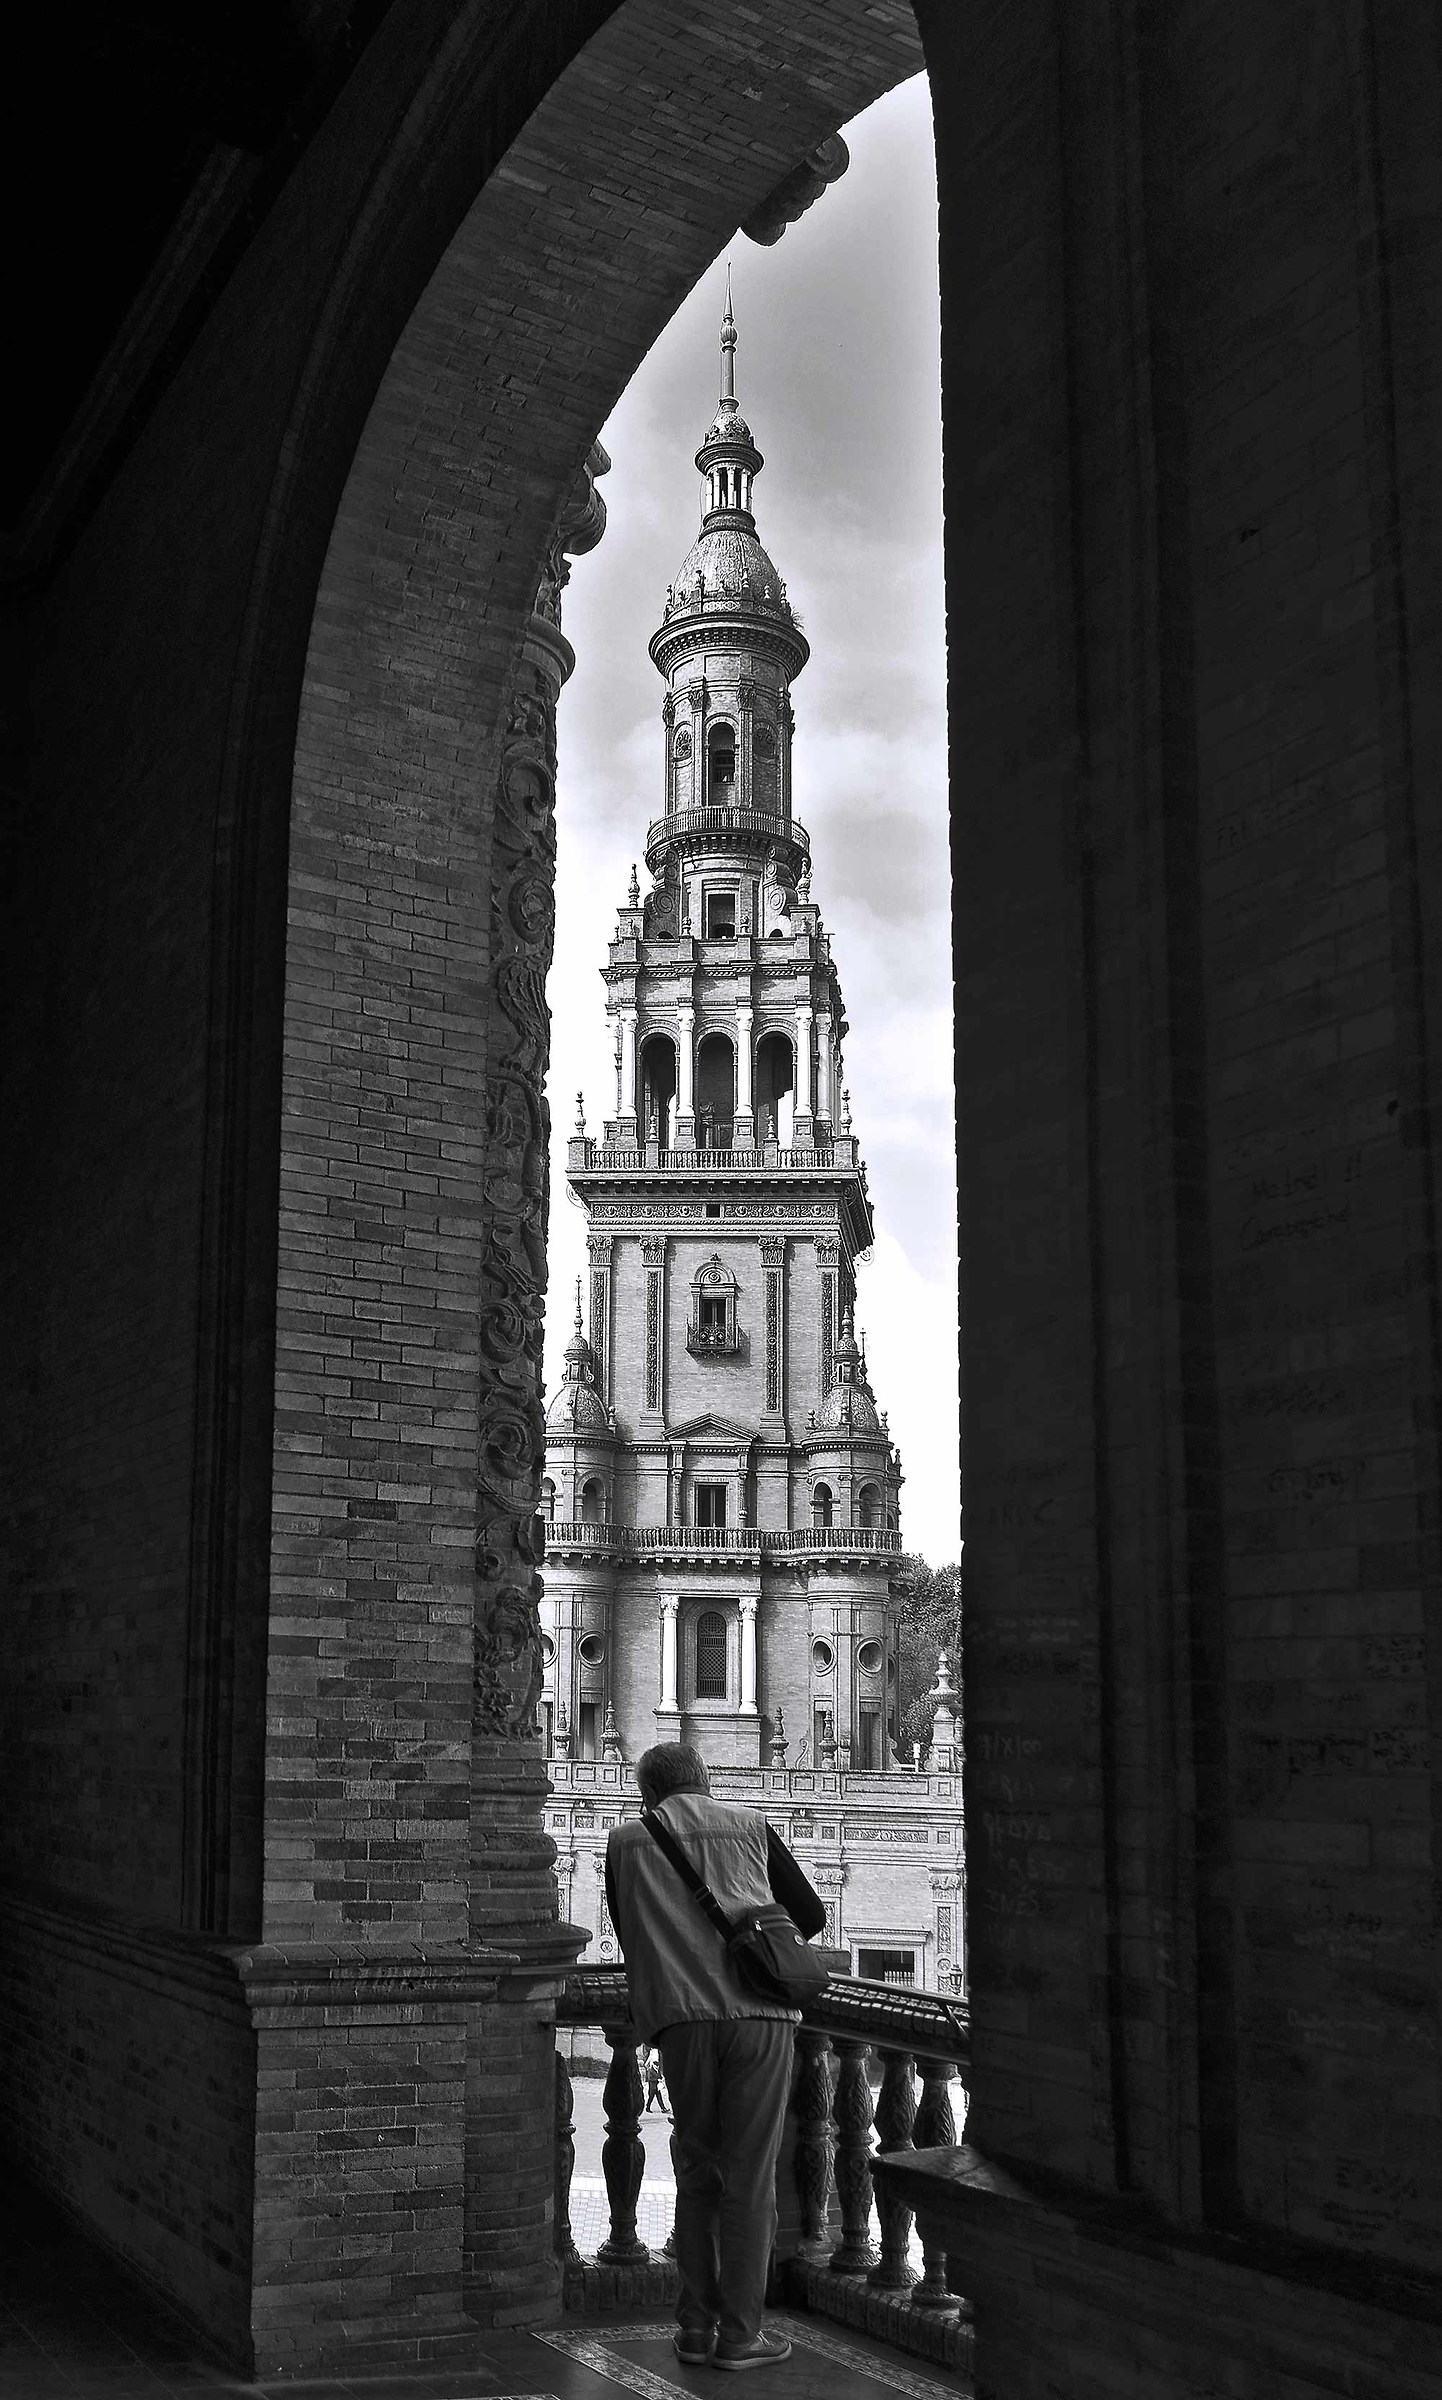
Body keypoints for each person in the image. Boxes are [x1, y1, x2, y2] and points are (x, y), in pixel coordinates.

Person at [605, 1741, 826, 2371]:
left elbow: (632, 1936)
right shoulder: (751, 1825)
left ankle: (695, 2329)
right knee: (750, 2177)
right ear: (706, 1782)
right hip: (759, 2018)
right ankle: (742, 2335)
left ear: (649, 1794)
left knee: (698, 2171)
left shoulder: (626, 1843)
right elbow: (807, 1914)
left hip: (678, 2019)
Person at [644, 2048, 669, 2114]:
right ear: (654, 2065)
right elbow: (650, 2079)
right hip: (652, 2087)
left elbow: (659, 2076)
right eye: (656, 2066)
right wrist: (657, 2079)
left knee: (659, 2098)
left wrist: (661, 2078)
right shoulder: (650, 2070)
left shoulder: (657, 2070)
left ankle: (663, 2108)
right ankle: (647, 2107)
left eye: (658, 2066)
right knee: (651, 2098)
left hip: (657, 2087)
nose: (657, 2067)